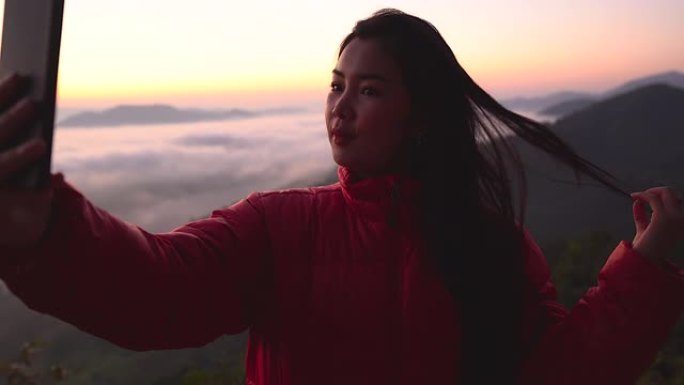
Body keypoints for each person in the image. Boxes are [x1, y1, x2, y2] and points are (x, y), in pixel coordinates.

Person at [1, 8, 683, 385]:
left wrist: (645, 272)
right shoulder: (278, 226)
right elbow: (156, 288)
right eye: (336, 84)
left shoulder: (495, 246)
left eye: (370, 88)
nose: (341, 105)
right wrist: (46, 230)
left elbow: (560, 374)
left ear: (420, 114)